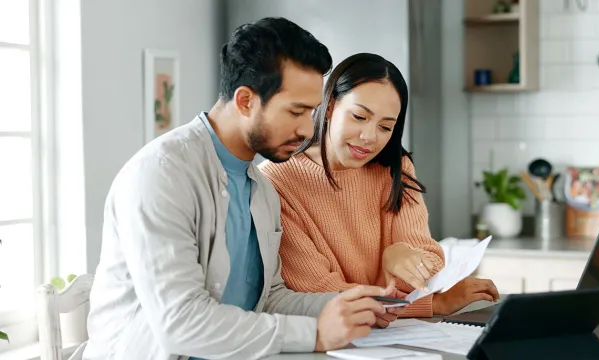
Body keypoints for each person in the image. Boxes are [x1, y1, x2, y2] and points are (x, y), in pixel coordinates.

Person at [83, 19, 396, 360]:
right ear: (246, 100)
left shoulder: (261, 187)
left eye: (312, 112)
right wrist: (316, 334)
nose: (308, 129)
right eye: (296, 111)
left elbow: (270, 298)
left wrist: (351, 305)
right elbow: (181, 324)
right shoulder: (162, 175)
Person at [259, 53, 499, 328]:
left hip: (393, 335)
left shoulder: (395, 167)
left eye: (386, 126)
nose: (370, 137)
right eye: (360, 116)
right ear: (328, 107)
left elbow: (431, 259)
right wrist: (430, 304)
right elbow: (318, 290)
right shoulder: (277, 180)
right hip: (330, 337)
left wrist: (400, 254)